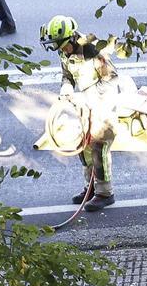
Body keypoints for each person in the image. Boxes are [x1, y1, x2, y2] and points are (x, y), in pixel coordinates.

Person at [41, 15, 119, 211]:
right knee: (83, 147)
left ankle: (105, 192)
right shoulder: (64, 52)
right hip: (85, 105)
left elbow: (112, 79)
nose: (61, 51)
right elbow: (67, 75)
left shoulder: (93, 52)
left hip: (103, 105)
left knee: (98, 148)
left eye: (63, 46)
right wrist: (66, 88)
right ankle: (91, 187)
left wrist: (95, 99)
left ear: (73, 39)